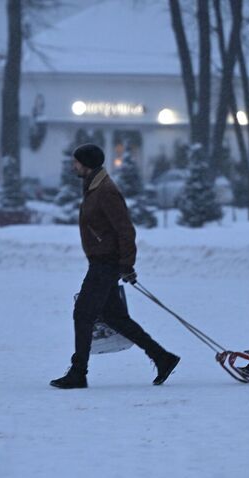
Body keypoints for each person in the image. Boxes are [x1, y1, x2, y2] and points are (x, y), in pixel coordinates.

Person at [50, 143, 180, 389]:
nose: (73, 165)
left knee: (83, 314)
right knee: (115, 317)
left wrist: (127, 264)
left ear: (86, 164)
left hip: (105, 263)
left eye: (76, 162)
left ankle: (78, 373)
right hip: (101, 261)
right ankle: (163, 357)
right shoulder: (93, 186)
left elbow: (125, 229)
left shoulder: (105, 191)